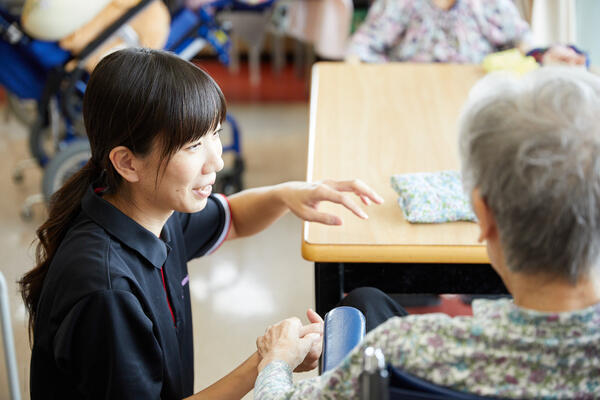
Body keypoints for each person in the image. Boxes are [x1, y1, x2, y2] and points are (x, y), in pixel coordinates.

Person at [19, 47, 384, 399]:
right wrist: (269, 362)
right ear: (127, 163)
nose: (217, 162)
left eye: (216, 134)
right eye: (193, 145)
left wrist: (286, 194)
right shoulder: (107, 292)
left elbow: (235, 219)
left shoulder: (145, 209)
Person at [254, 66, 600, 399]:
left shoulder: (408, 351)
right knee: (368, 302)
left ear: (483, 212)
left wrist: (277, 360)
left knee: (362, 306)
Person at [346, 0, 586, 66]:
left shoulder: (488, 3)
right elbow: (361, 46)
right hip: (407, 92)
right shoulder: (401, 3)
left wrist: (546, 56)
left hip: (476, 94)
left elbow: (522, 44)